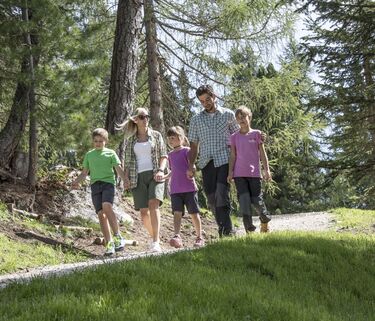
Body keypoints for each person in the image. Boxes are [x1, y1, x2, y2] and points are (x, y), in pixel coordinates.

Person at [187, 85, 240, 237]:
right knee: (211, 198)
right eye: (202, 101)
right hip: (206, 162)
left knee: (221, 193)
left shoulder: (228, 115)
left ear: (214, 96)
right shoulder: (196, 120)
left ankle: (226, 231)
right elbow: (194, 145)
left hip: (224, 159)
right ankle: (224, 226)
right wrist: (191, 165)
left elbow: (238, 137)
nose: (206, 103)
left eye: (208, 99)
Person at [72, 128, 127, 256]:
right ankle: (109, 243)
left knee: (107, 207)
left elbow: (118, 169)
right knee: (101, 214)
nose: (98, 143)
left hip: (108, 184)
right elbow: (84, 172)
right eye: (96, 141)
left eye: (101, 141)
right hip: (95, 186)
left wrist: (125, 179)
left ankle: (118, 236)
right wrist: (76, 182)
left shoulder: (111, 153)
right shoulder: (89, 155)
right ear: (93, 141)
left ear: (105, 141)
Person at [119, 108, 168, 252]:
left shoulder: (156, 135)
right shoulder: (130, 141)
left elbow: (163, 155)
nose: (145, 119)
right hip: (137, 176)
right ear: (135, 119)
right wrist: (126, 180)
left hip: (155, 174)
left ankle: (156, 241)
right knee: (143, 212)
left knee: (153, 205)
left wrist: (160, 170)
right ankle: (155, 237)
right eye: (142, 116)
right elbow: (127, 162)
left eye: (147, 116)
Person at [227, 106, 272, 233]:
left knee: (257, 200)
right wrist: (230, 172)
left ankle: (265, 220)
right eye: (239, 118)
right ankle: (249, 229)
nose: (241, 120)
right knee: (244, 201)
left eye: (244, 117)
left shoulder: (257, 134)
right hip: (239, 174)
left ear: (249, 117)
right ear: (236, 120)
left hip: (255, 174)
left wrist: (267, 170)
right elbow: (233, 155)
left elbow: (263, 153)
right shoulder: (234, 137)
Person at [164, 126, 204, 248]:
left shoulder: (187, 151)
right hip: (175, 190)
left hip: (189, 189)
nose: (171, 141)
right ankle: (177, 236)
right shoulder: (170, 155)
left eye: (173, 138)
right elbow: (173, 171)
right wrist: (165, 177)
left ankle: (199, 237)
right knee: (177, 213)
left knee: (193, 213)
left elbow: (193, 166)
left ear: (181, 138)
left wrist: (191, 171)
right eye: (169, 138)